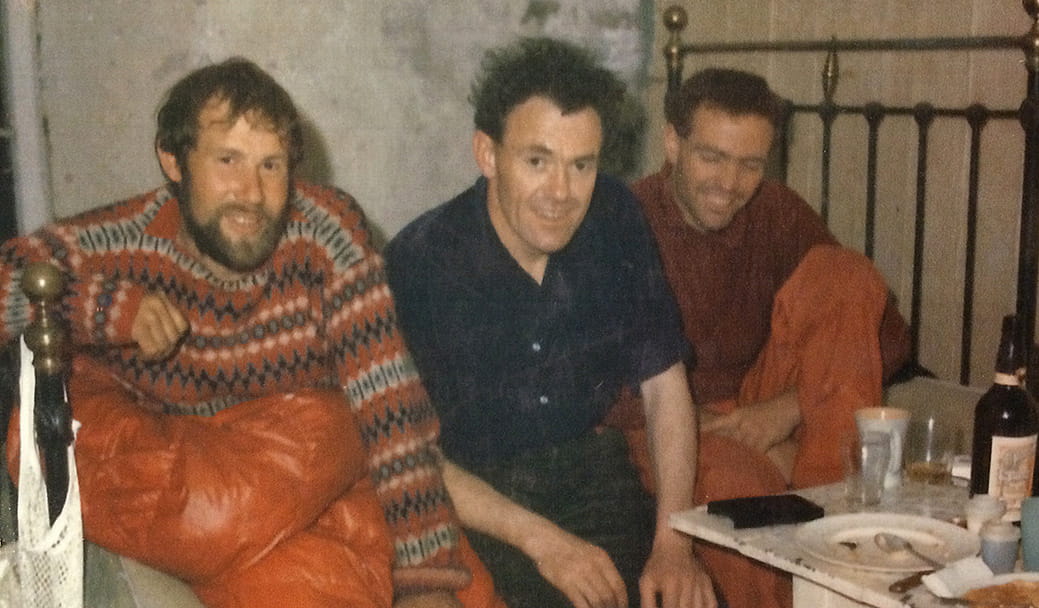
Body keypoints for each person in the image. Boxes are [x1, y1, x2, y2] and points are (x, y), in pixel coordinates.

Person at [0, 57, 501, 608]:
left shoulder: (326, 236)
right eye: (227, 161)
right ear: (173, 160)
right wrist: (109, 308)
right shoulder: (124, 242)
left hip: (313, 464)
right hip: (201, 469)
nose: (251, 193)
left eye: (271, 165)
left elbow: (389, 411)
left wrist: (424, 580)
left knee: (469, 594)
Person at [384, 38, 716, 608]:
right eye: (537, 161)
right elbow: (407, 457)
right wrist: (547, 543)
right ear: (487, 155)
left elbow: (665, 389)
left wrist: (673, 543)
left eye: (581, 164)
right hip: (477, 501)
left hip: (593, 478)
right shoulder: (424, 260)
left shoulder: (615, 216)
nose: (561, 193)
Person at [606, 68, 912, 608]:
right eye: (712, 157)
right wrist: (697, 424)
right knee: (745, 493)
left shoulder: (775, 212)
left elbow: (886, 339)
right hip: (661, 421)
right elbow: (586, 382)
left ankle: (835, 511)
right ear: (672, 143)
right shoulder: (623, 221)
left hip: (758, 402)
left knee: (844, 274)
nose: (730, 183)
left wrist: (788, 410)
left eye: (750, 163)